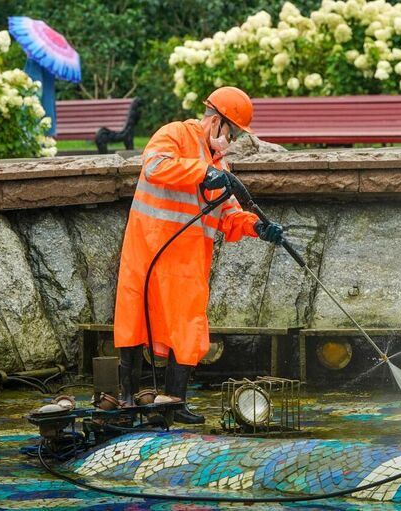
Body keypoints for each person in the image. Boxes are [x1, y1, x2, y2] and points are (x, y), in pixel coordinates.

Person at [113, 86, 284, 424]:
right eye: (231, 131)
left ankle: (173, 401)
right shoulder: (175, 134)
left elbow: (228, 215)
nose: (231, 139)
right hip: (148, 249)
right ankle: (126, 399)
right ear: (217, 121)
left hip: (188, 260)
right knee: (133, 319)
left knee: (189, 326)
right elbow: (155, 166)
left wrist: (258, 228)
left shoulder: (220, 163)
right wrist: (203, 172)